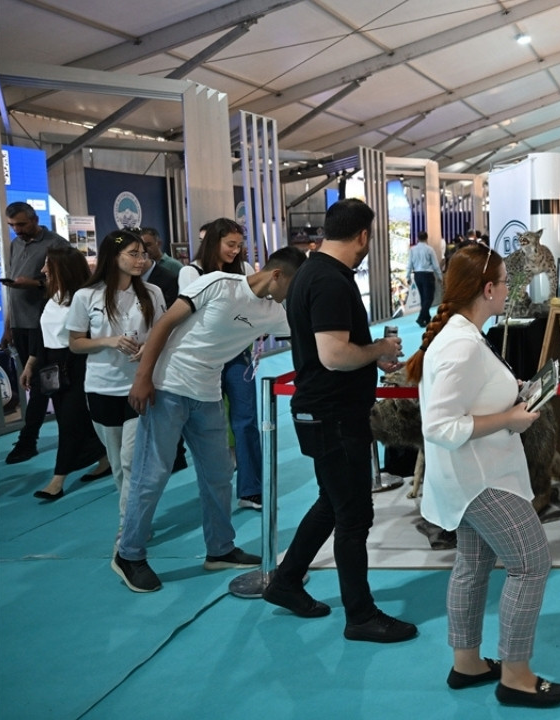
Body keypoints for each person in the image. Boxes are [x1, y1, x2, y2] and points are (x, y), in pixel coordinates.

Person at [418, 243, 560, 707]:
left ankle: (467, 663)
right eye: (506, 282)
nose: (510, 290)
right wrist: (509, 418)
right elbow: (440, 426)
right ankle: (516, 676)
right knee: (531, 563)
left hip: (472, 476)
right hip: (479, 478)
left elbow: (469, 396)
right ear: (487, 289)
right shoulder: (461, 344)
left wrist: (512, 394)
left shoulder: (465, 336)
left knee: (474, 563)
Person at [262, 199, 417, 644]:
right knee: (353, 516)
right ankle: (360, 615)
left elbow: (329, 351)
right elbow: (333, 355)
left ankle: (286, 580)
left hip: (325, 412)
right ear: (363, 236)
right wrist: (379, 350)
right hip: (333, 416)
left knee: (332, 503)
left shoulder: (314, 273)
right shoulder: (329, 280)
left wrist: (369, 359)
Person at [111, 247, 308, 593]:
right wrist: (143, 377)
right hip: (168, 386)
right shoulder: (219, 284)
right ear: (277, 275)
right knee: (151, 474)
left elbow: (312, 333)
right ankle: (128, 554)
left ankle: (220, 549)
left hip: (208, 395)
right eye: (294, 286)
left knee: (218, 474)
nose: (293, 295)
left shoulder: (274, 312)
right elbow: (165, 324)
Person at [66, 230, 167, 533]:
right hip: (102, 388)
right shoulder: (86, 296)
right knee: (119, 465)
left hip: (140, 386)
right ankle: (134, 517)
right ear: (113, 256)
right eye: (133, 254)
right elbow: (75, 343)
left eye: (143, 254)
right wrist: (109, 341)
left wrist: (149, 347)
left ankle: (129, 528)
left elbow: (164, 333)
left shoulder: (153, 293)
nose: (141, 260)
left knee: (132, 461)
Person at [181, 219, 263, 509]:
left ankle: (251, 489)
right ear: (213, 241)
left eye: (239, 245)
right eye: (230, 244)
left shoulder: (244, 270)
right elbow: (197, 317)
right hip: (205, 359)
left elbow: (253, 309)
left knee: (247, 420)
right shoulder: (190, 272)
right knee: (209, 426)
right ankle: (215, 488)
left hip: (239, 354)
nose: (235, 250)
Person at [18, 247, 110, 500]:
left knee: (69, 421)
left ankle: (57, 480)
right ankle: (104, 458)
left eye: (48, 265)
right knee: (72, 419)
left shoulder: (86, 298)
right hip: (51, 366)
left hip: (78, 365)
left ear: (63, 268)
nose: (43, 270)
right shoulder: (52, 297)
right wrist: (30, 365)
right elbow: (41, 337)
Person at [1, 202, 73, 464]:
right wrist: (8, 326)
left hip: (44, 325)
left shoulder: (57, 244)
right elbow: (13, 290)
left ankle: (28, 440)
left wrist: (32, 284)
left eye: (21, 224)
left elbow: (65, 282)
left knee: (42, 384)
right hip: (21, 325)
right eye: (12, 225)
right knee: (35, 384)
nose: (17, 230)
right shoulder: (15, 244)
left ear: (34, 219)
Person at [407, 232, 441, 326]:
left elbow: (409, 264)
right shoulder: (429, 249)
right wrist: (439, 276)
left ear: (417, 238)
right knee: (429, 297)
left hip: (417, 275)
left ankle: (426, 318)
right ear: (427, 238)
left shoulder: (412, 250)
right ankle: (421, 317)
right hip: (428, 274)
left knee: (423, 297)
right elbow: (435, 265)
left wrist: (408, 276)